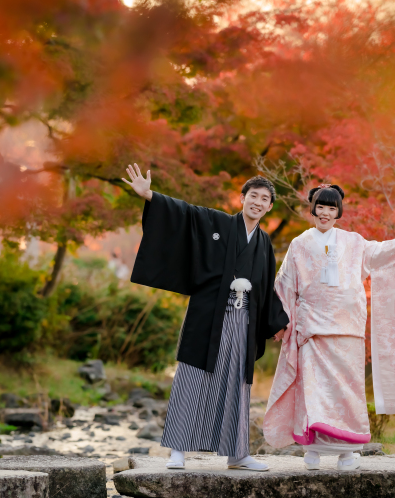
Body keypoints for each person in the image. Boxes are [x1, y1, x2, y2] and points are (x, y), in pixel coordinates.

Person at [122, 164, 289, 471]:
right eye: (253, 195)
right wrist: (148, 195)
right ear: (242, 198)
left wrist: (278, 321)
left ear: (269, 207)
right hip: (209, 315)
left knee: (237, 384)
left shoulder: (264, 243)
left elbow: (266, 287)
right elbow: (183, 212)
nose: (258, 202)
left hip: (243, 322)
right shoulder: (217, 221)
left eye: (265, 199)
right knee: (192, 378)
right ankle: (177, 451)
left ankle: (237, 454)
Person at [263, 185, 395, 470]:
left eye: (332, 208)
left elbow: (383, 253)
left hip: (348, 330)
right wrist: (278, 323)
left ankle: (347, 452)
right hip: (313, 330)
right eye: (321, 207)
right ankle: (313, 451)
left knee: (347, 392)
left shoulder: (354, 242)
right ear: (313, 208)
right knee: (314, 392)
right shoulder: (299, 244)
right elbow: (284, 285)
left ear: (339, 212)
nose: (325, 213)